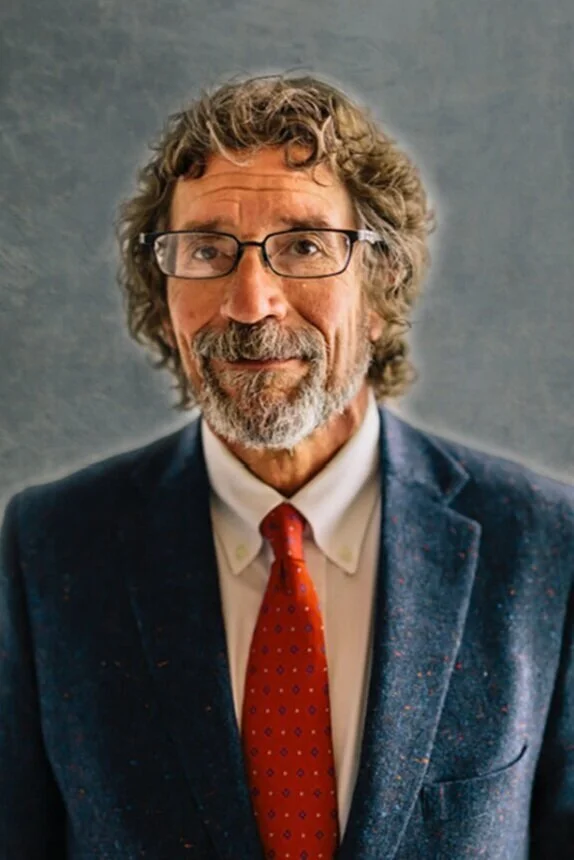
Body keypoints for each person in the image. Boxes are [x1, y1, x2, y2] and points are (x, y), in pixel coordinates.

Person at [1, 73, 573, 860]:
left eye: (303, 246)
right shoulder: (50, 549)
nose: (250, 302)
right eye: (206, 251)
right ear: (163, 296)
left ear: (381, 286)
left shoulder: (543, 547)